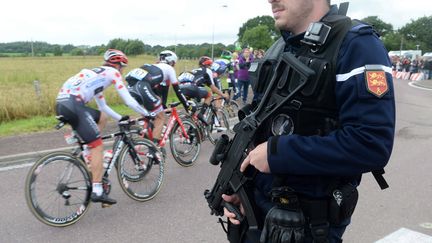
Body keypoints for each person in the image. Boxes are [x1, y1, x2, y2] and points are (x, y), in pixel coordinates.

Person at [221, 0, 395, 242]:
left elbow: (371, 144)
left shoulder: (357, 44)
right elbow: (261, 130)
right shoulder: (280, 48)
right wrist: (243, 189)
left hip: (306, 225)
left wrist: (279, 153)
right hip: (259, 210)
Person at [56, 49, 151, 205]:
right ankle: (98, 190)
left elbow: (103, 107)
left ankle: (88, 152)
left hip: (62, 104)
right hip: (74, 105)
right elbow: (129, 100)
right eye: (123, 67)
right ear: (119, 65)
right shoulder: (113, 73)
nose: (122, 71)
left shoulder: (97, 77)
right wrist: (147, 114)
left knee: (102, 117)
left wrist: (121, 118)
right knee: (97, 146)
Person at [125, 50, 194, 145]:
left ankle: (146, 137)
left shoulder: (153, 67)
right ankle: (154, 150)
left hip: (129, 88)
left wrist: (162, 106)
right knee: (161, 117)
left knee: (151, 113)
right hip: (141, 86)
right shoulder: (169, 69)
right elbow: (178, 91)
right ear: (172, 61)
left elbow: (158, 93)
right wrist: (187, 106)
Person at [178, 56, 229, 122]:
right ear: (208, 65)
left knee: (191, 110)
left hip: (181, 89)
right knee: (209, 95)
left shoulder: (194, 71)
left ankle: (191, 123)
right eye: (210, 65)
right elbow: (213, 88)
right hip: (192, 88)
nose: (211, 67)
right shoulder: (207, 70)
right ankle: (201, 114)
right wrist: (223, 95)